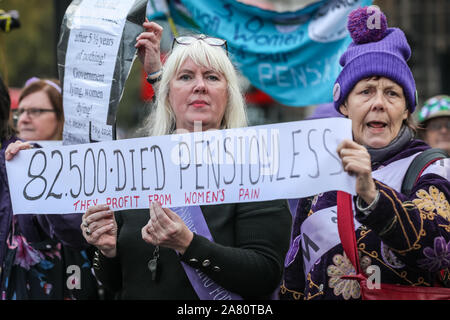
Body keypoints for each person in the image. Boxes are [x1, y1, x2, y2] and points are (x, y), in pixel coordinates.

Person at [79, 21, 292, 300]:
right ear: (167, 96)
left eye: (213, 77)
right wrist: (106, 251)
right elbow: (114, 282)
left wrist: (189, 245)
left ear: (228, 96)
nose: (200, 86)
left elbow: (265, 275)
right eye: (186, 77)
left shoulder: (255, 168)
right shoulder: (134, 168)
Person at [281, 7, 449, 300]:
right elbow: (295, 277)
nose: (379, 103)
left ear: (407, 109)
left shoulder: (432, 168)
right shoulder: (319, 176)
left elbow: (440, 250)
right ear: (344, 106)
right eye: (366, 91)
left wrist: (373, 196)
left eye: (392, 93)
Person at [2, 76, 99, 300]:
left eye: (35, 111)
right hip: (20, 280)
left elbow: (75, 229)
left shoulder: (82, 163)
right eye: (21, 111)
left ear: (60, 117)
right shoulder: (9, 160)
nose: (24, 118)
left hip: (67, 275)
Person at [14, 77, 64, 141]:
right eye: (21, 112)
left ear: (61, 115)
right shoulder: (5, 150)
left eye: (35, 111)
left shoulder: (80, 150)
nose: (23, 119)